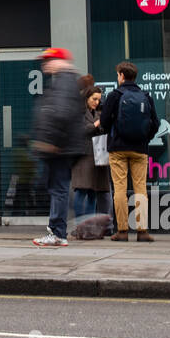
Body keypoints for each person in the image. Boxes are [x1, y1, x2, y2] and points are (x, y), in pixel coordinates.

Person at [29, 48, 91, 247]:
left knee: (59, 189)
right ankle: (59, 230)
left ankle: (57, 232)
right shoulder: (65, 80)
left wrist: (51, 141)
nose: (45, 64)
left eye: (48, 60)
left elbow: (61, 113)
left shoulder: (64, 81)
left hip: (59, 147)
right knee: (58, 187)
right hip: (61, 145)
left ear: (59, 60)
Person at [97, 60, 160, 242]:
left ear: (122, 76)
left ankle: (122, 231)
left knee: (120, 190)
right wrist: (145, 138)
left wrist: (111, 132)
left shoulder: (115, 96)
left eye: (118, 75)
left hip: (118, 148)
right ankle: (142, 232)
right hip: (140, 149)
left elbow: (104, 122)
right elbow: (155, 123)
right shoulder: (145, 96)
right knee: (140, 189)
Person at [70, 85, 111, 231]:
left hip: (97, 156)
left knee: (93, 191)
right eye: (94, 99)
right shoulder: (78, 113)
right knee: (81, 190)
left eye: (99, 100)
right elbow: (83, 130)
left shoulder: (97, 112)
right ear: (86, 97)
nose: (96, 102)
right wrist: (98, 123)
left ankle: (89, 226)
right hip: (82, 156)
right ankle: (79, 226)